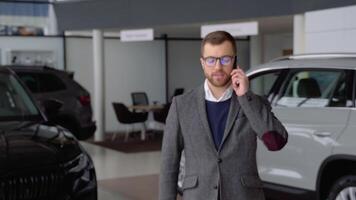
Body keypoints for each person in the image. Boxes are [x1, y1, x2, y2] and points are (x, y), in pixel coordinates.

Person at [159, 30, 288, 200]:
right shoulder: (181, 105)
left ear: (235, 61)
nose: (218, 67)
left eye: (225, 59)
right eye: (211, 60)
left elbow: (276, 142)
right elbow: (169, 164)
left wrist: (245, 96)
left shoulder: (252, 102)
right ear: (202, 63)